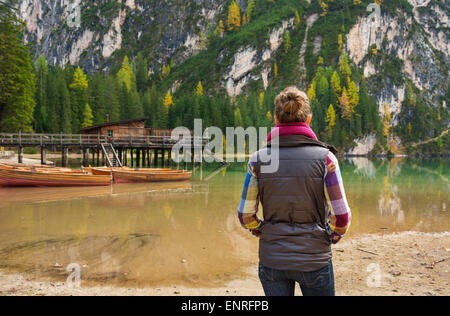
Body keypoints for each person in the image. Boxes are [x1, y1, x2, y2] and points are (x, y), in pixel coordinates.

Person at [238, 86, 351, 296]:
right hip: (314, 259)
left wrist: (262, 231)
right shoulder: (326, 159)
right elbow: (341, 217)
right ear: (308, 119)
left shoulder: (258, 159)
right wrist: (329, 237)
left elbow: (245, 216)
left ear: (276, 119)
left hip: (273, 260)